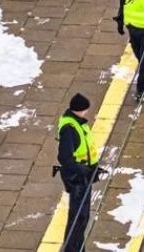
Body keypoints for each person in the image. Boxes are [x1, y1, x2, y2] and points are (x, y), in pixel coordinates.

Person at [55, 93, 103, 252]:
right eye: (86, 109)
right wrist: (82, 169)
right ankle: (72, 249)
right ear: (79, 109)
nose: (87, 112)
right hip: (77, 178)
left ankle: (78, 248)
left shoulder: (78, 123)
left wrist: (94, 168)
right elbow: (64, 157)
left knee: (81, 216)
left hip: (85, 175)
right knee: (78, 216)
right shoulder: (70, 129)